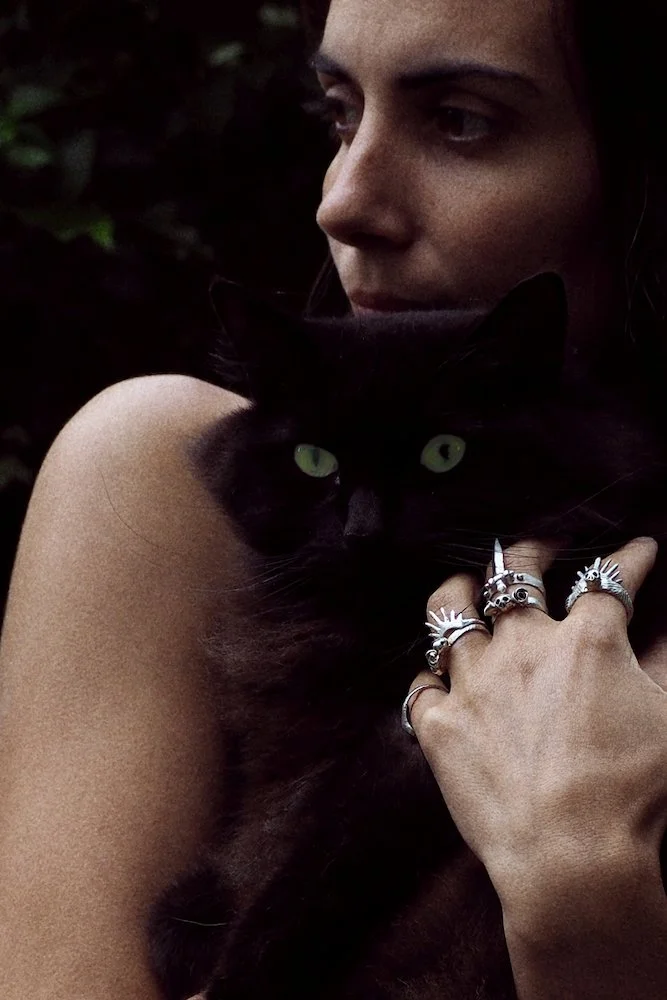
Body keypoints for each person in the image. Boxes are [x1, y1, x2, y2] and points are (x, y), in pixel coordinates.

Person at [1, 0, 667, 996]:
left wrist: (585, 925)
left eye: (461, 121)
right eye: (338, 114)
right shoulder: (169, 479)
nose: (343, 202)